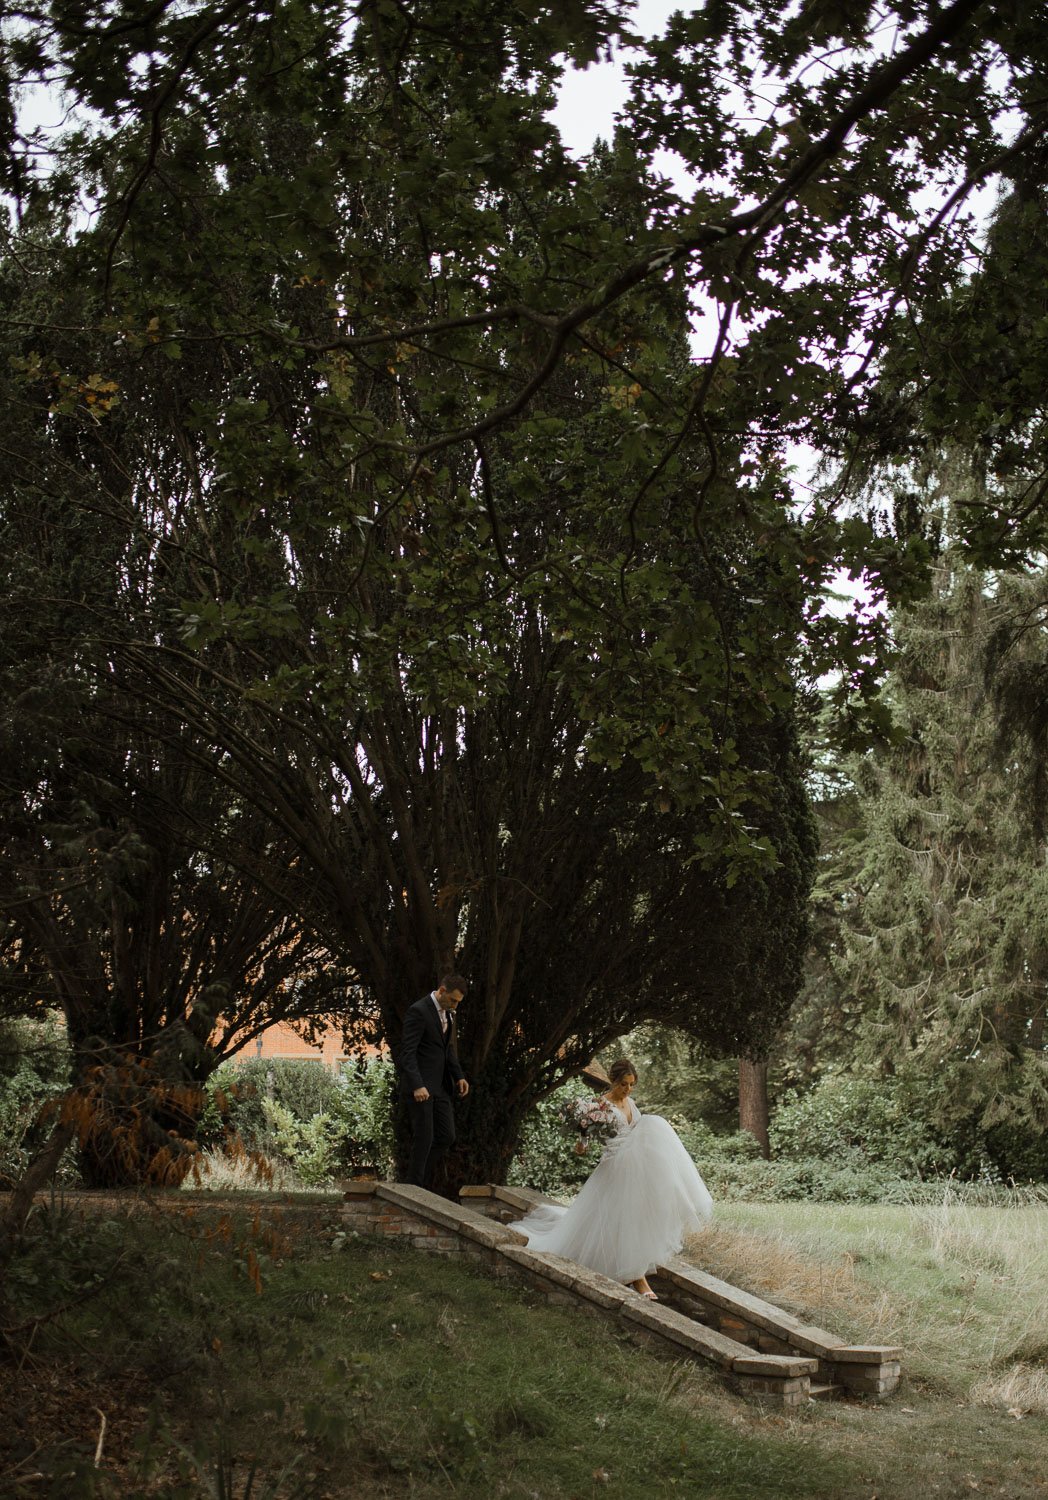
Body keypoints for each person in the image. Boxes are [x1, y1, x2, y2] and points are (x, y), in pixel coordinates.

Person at [509, 1057, 712, 1298]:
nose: (628, 1089)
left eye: (632, 1084)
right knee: (621, 1218)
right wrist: (582, 1144)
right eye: (624, 1084)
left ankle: (635, 1270)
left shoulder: (631, 1103)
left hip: (636, 1168)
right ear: (612, 1080)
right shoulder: (599, 1106)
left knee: (636, 1217)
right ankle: (638, 1279)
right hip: (615, 1166)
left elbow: (637, 1131)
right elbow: (584, 1141)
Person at [398, 974, 470, 1189]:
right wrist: (417, 1085)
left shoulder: (447, 1014)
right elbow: (407, 1053)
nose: (455, 1005)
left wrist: (459, 1076)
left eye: (458, 1002)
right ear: (441, 991)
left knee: (446, 1136)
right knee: (424, 1137)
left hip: (440, 1086)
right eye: (453, 1000)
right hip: (421, 1087)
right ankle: (414, 1186)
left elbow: (446, 1049)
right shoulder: (418, 1011)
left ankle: (416, 1181)